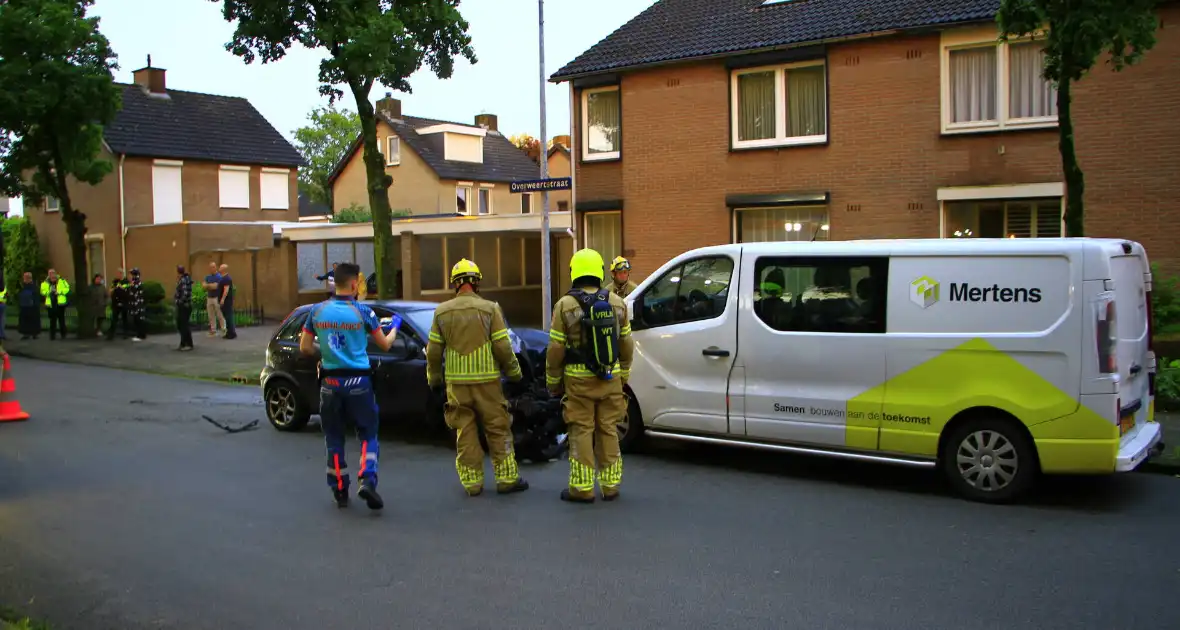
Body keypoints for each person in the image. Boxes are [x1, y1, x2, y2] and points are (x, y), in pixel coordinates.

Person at [299, 262, 401, 510]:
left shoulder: (317, 311)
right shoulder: (363, 312)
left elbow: (304, 347)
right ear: (354, 284)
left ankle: (340, 490)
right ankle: (367, 478)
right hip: (359, 382)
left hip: (330, 383)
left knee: (333, 438)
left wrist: (324, 355)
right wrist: (395, 326)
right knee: (367, 433)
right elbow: (385, 345)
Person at [426, 259, 529, 497]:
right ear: (476, 282)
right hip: (488, 383)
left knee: (465, 431)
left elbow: (433, 351)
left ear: (455, 284)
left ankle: (472, 484)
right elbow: (503, 347)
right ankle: (506, 479)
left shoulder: (442, 312)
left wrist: (435, 379)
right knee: (498, 429)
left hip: (457, 385)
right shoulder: (490, 309)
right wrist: (515, 374)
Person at [547, 248, 634, 503]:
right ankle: (610, 485)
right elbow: (626, 343)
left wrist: (553, 381)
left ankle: (583, 488)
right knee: (608, 428)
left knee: (582, 430)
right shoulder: (617, 303)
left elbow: (555, 349)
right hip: (611, 377)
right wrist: (624, 373)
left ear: (575, 272)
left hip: (578, 380)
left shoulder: (564, 305)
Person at [40, 269, 70, 340]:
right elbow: (42, 292)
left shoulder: (62, 280)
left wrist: (59, 292)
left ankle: (63, 335)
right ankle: (52, 336)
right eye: (50, 274)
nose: (52, 275)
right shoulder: (45, 283)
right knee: (52, 321)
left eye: (53, 273)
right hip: (50, 304)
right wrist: (49, 292)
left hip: (60, 304)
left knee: (61, 320)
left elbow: (67, 288)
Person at [203, 262, 226, 337]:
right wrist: (210, 285)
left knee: (219, 314)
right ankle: (213, 330)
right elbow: (203, 286)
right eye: (210, 267)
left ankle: (224, 329)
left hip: (216, 297)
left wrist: (208, 285)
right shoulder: (207, 277)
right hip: (209, 297)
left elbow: (216, 286)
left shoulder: (219, 277)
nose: (211, 269)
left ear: (215, 267)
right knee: (211, 315)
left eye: (213, 267)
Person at [174, 266, 194, 351]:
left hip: (184, 306)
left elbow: (185, 294)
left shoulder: (183, 280)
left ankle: (186, 344)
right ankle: (185, 343)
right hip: (186, 305)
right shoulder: (185, 279)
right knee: (182, 324)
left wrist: (179, 301)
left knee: (183, 325)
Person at [17, 272, 40, 340]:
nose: (25, 279)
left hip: (32, 306)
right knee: (25, 320)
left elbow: (36, 296)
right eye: (24, 277)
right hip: (24, 306)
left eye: (26, 277)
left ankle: (34, 333)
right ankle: (26, 333)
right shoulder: (23, 286)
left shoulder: (33, 286)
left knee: (33, 320)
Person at [108, 269, 130, 340]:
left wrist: (121, 287)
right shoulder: (115, 281)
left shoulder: (126, 281)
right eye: (117, 273)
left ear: (122, 274)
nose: (118, 275)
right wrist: (113, 288)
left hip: (124, 303)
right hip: (115, 303)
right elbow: (111, 290)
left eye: (120, 273)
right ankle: (111, 335)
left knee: (124, 319)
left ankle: (125, 334)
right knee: (114, 319)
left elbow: (127, 289)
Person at [217, 263, 236, 340]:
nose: (219, 269)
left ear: (223, 269)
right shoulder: (223, 278)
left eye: (220, 268)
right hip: (226, 301)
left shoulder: (227, 279)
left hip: (227, 301)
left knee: (228, 317)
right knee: (227, 316)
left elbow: (226, 290)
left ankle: (231, 333)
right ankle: (230, 332)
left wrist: (222, 299)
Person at [127, 268, 146, 341]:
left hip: (138, 304)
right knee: (138, 320)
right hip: (136, 304)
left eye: (131, 274)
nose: (130, 276)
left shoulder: (136, 283)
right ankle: (140, 335)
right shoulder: (135, 282)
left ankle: (140, 335)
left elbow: (133, 293)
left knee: (138, 320)